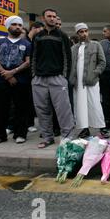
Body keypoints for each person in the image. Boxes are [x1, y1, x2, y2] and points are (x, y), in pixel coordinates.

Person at [31, 8, 74, 148]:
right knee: (42, 110)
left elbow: (68, 58)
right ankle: (47, 137)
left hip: (57, 78)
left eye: (54, 16)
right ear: (43, 19)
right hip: (39, 79)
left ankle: (67, 138)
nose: (52, 19)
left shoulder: (62, 36)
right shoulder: (37, 36)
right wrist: (33, 76)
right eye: (49, 16)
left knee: (63, 110)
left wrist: (64, 78)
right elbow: (33, 57)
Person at [0, 16, 32, 145]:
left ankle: (20, 134)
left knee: (21, 108)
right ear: (8, 27)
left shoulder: (27, 44)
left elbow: (28, 62)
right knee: (1, 108)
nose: (18, 27)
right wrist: (6, 74)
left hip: (21, 81)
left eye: (20, 25)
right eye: (14, 24)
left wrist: (12, 72)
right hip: (2, 81)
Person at [69, 23, 108, 139]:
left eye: (86, 31)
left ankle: (102, 128)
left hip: (92, 81)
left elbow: (102, 62)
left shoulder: (96, 45)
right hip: (78, 83)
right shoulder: (73, 48)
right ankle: (85, 129)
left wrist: (95, 73)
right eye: (81, 32)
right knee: (80, 106)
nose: (84, 34)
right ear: (77, 34)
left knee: (95, 104)